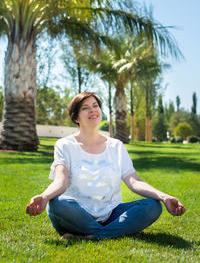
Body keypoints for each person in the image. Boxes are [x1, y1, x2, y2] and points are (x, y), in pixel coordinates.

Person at [26, 92, 185, 239]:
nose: (93, 110)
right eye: (86, 108)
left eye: (95, 106)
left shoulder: (116, 146)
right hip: (76, 215)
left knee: (153, 206)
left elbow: (134, 181)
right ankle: (116, 230)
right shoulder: (64, 145)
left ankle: (91, 235)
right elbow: (61, 181)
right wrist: (45, 197)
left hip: (111, 213)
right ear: (76, 118)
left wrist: (164, 197)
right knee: (57, 204)